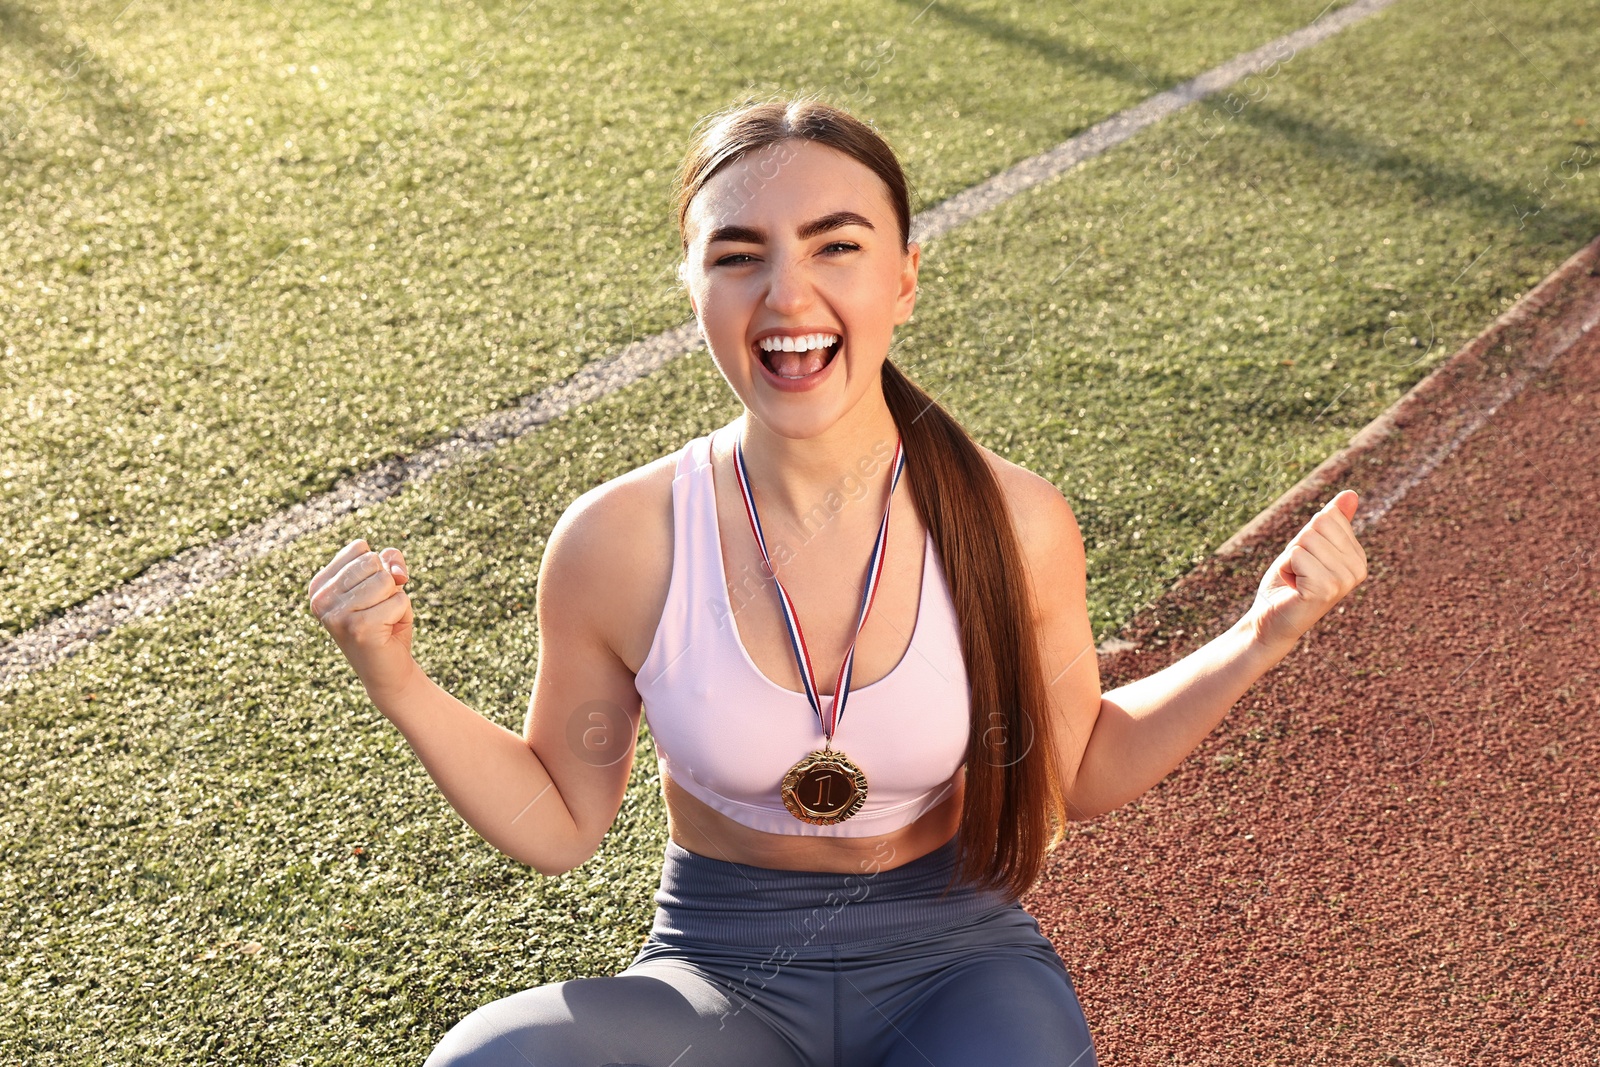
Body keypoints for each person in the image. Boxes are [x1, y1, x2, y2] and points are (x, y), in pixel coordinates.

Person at [308, 95, 1367, 1066]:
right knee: (491, 1060)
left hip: (954, 964)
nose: (787, 293)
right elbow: (558, 821)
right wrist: (397, 677)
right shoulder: (620, 539)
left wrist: (1259, 634)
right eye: (738, 254)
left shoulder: (1010, 519)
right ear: (694, 285)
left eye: (836, 247)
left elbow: (1080, 767)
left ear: (903, 275)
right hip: (720, 974)